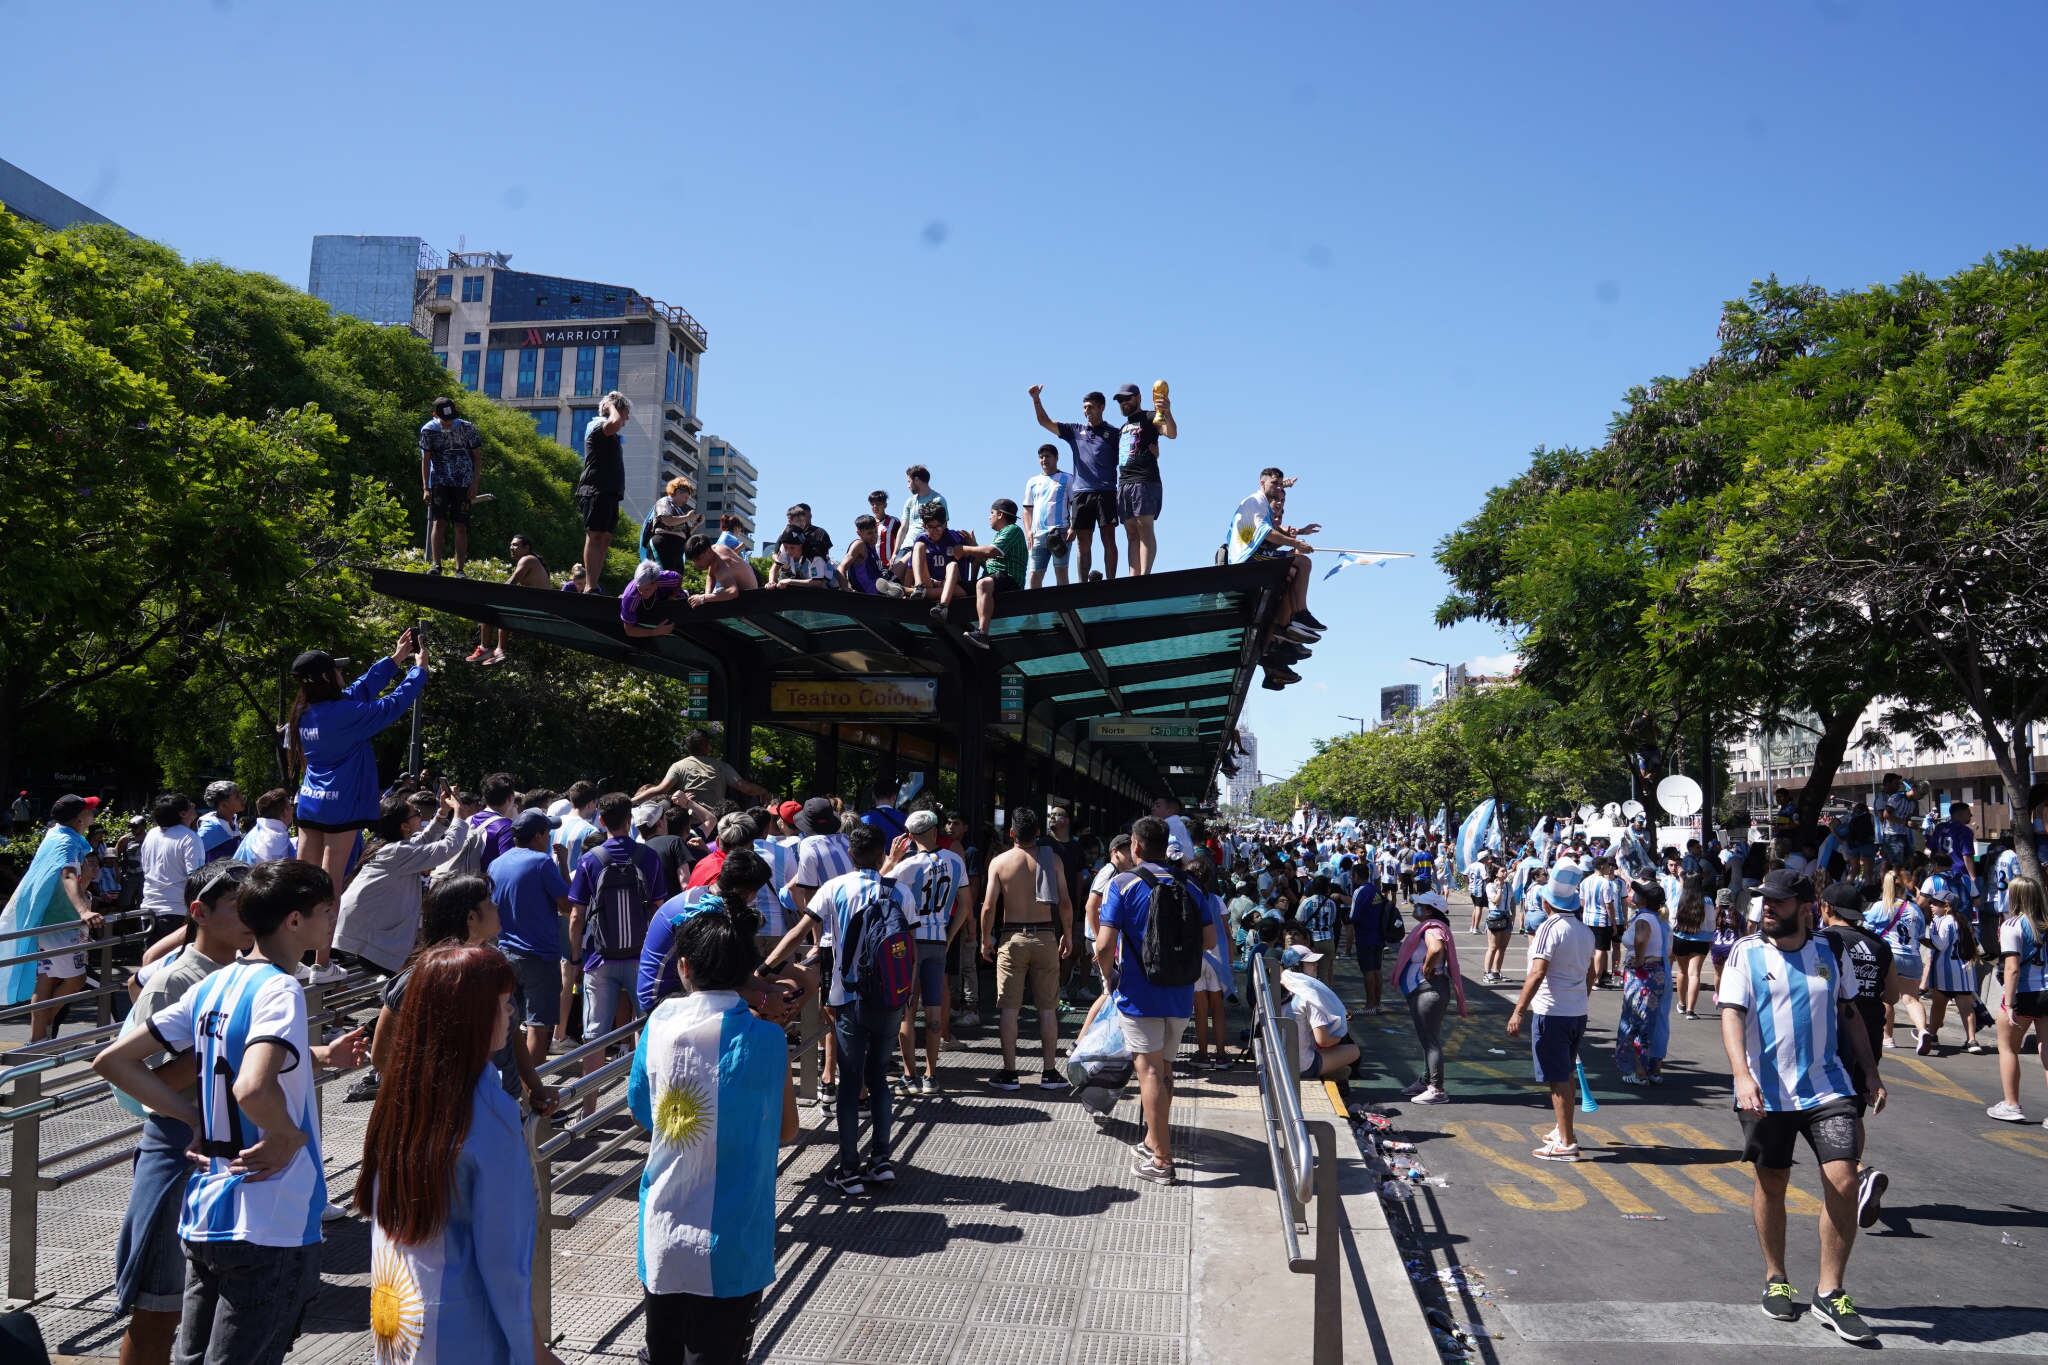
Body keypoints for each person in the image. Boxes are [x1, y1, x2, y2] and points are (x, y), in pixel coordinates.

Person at [93, 860, 370, 1365]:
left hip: (208, 1213)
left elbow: (113, 1060)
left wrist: (196, 1119)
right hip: (268, 1219)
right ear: (293, 920)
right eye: (326, 912)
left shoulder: (215, 985)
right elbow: (250, 1086)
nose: (332, 922)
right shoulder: (280, 988)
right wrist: (287, 1136)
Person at [356, 943, 554, 1365]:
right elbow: (505, 1264)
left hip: (397, 1316)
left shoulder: (400, 1097)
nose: (511, 1015)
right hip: (464, 1328)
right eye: (502, 1005)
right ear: (471, 1018)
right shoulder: (489, 1113)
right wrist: (534, 1351)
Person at [1719, 869, 1884, 1344]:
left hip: (1827, 1087)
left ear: (1805, 906)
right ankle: (1776, 1277)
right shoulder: (1745, 954)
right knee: (1772, 1183)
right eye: (1763, 901)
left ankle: (1831, 1292)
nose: (1767, 908)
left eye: (1777, 902)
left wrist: (1870, 1073)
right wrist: (1741, 1075)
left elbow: (1849, 1012)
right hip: (1765, 1093)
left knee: (1844, 1177)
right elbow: (1732, 1015)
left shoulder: (1831, 952)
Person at [630, 909, 798, 1365]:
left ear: (684, 966)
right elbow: (787, 1129)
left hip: (664, 1225)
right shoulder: (768, 1039)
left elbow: (644, 1112)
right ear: (747, 973)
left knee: (664, 1351)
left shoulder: (658, 1026)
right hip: (735, 1239)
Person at [108, 860, 253, 1365]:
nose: (250, 918)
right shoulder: (176, 980)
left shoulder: (246, 974)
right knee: (158, 1310)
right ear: (200, 912)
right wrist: (219, 1047)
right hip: (176, 1154)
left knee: (205, 1310)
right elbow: (137, 1075)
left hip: (225, 1155)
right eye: (238, 907)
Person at [764, 821, 915, 1196]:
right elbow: (905, 949)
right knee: (879, 1077)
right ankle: (881, 1161)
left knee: (850, 1083)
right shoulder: (901, 892)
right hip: (889, 999)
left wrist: (765, 968)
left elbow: (800, 932)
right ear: (883, 855)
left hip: (848, 998)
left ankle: (849, 1167)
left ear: (851, 854)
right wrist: (904, 993)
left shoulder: (835, 888)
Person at [1096, 817, 1219, 1185]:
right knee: (1164, 1070)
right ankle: (1153, 1139)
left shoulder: (1123, 884)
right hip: (1180, 992)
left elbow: (1103, 945)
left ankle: (1162, 1160)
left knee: (1147, 1071)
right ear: (1165, 845)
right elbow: (1210, 941)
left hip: (1140, 992)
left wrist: (1109, 976)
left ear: (1135, 845)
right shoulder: (1191, 885)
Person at [289, 632, 427, 929]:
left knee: (301, 881)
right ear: (328, 676)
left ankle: (296, 949)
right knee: (330, 884)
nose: (342, 673)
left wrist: (396, 658)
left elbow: (360, 689)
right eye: (337, 669)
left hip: (310, 803)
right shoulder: (346, 714)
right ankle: (321, 962)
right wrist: (419, 671)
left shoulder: (306, 712)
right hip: (341, 805)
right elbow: (391, 705)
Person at [567, 795, 666, 1096]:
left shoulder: (590, 859)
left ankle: (588, 1111)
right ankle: (645, 1106)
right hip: (640, 958)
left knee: (595, 1036)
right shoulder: (648, 858)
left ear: (601, 821)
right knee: (647, 1029)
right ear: (629, 821)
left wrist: (575, 958)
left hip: (599, 957)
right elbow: (658, 908)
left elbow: (576, 915)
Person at [1817, 881, 1898, 1230]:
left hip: (1834, 1035)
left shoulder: (1825, 941)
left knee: (1825, 1115)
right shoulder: (1880, 945)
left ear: (1826, 907)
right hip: (1870, 1035)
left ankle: (1858, 1175)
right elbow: (1892, 995)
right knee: (1853, 1112)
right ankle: (1857, 1177)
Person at [980, 808, 1073, 1090]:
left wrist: (986, 938)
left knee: (1009, 1008)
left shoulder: (999, 862)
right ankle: (1049, 1072)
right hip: (1045, 934)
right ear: (1039, 833)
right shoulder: (1052, 860)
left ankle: (1009, 1073)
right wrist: (1067, 935)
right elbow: (1066, 903)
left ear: (1011, 833)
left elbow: (988, 906)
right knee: (1047, 1008)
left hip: (1012, 938)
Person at [332, 790, 472, 976]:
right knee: (410, 980)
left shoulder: (387, 845)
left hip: (364, 928)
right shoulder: (396, 853)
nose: (421, 817)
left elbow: (420, 841)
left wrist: (442, 813)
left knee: (408, 978)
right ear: (404, 826)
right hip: (367, 933)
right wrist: (459, 815)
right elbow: (448, 847)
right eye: (417, 814)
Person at [1506, 872, 1597, 1161]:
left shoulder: (1550, 928)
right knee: (1565, 1073)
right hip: (1575, 1011)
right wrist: (1579, 997)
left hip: (1553, 1012)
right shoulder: (1584, 931)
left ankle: (1566, 1142)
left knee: (1557, 1077)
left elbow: (1538, 971)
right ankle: (1563, 1129)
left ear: (1547, 903)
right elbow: (1591, 973)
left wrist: (1519, 1010)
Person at [0, 795, 104, 1039]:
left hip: (47, 917)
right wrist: (84, 911)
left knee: (47, 979)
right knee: (76, 979)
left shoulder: (55, 834)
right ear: (79, 818)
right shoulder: (67, 843)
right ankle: (40, 1033)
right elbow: (67, 875)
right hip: (59, 921)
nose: (93, 814)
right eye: (90, 811)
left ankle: (38, 1037)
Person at [884, 812, 967, 1095]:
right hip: (938, 941)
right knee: (933, 1008)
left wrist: (892, 859)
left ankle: (910, 1076)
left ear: (909, 835)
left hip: (910, 943)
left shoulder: (907, 867)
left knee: (907, 1011)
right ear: (934, 831)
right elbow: (965, 905)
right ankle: (932, 1075)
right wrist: (949, 934)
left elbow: (876, 885)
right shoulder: (956, 861)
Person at [491, 809, 575, 1065]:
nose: (549, 837)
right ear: (538, 836)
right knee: (539, 1026)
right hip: (539, 955)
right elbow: (565, 905)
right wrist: (563, 864)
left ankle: (507, 1086)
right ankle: (534, 1097)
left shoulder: (497, 863)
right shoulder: (541, 863)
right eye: (547, 832)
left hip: (505, 953)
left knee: (507, 1023)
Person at [1227, 468, 1326, 684]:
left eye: (1282, 485)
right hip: (1248, 559)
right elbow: (1268, 532)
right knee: (1300, 561)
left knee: (1295, 567)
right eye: (1275, 484)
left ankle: (1291, 623)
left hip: (1254, 555)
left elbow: (1274, 527)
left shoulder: (1262, 500)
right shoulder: (1256, 502)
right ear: (1261, 483)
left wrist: (1297, 533)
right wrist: (1296, 542)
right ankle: (1297, 616)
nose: (1279, 489)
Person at [1030, 385, 1121, 580]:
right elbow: (1044, 422)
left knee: (1108, 539)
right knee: (1083, 543)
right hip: (1081, 494)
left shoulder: (1114, 434)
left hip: (1106, 492)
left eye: (1090, 407)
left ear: (1101, 407)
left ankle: (1112, 582)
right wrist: (1036, 399)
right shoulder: (1074, 431)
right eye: (1084, 407)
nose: (1086, 411)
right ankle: (1082, 585)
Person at [1390, 888, 1465, 1104]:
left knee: (1430, 1041)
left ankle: (1437, 1089)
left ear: (1430, 910)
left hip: (1428, 990)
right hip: (1424, 990)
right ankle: (1426, 1081)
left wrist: (1427, 966)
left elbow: (1436, 948)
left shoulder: (1432, 928)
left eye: (1419, 905)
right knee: (1427, 1039)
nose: (1415, 907)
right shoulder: (1431, 926)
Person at [1987, 875, 2048, 1122]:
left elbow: (2012, 968)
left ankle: (2011, 1104)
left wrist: (2009, 1004)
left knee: (2008, 1047)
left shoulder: (2012, 925)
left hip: (2024, 993)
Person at [933, 499, 1026, 650]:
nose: (989, 517)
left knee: (983, 583)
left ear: (1000, 514)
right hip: (994, 579)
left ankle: (982, 633)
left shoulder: (1012, 530)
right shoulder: (1000, 534)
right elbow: (985, 560)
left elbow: (991, 551)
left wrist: (964, 549)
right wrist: (973, 546)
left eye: (992, 513)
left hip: (1009, 578)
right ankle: (916, 593)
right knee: (952, 589)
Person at [1111, 383, 1176, 576]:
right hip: (1124, 483)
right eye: (1120, 400)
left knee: (1144, 527)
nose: (1124, 403)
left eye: (1127, 398)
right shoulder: (1122, 427)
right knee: (1131, 532)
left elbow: (1171, 433)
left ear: (1138, 398)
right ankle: (1134, 576)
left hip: (1145, 480)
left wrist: (1167, 411)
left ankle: (1145, 574)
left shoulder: (1149, 417)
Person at [1615, 878, 1672, 1085]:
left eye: (1638, 893)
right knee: (1647, 1019)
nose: (1634, 894)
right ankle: (1648, 1067)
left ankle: (1637, 1069)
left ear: (1645, 900)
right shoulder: (1655, 918)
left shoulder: (1644, 919)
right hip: (1653, 973)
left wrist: (1638, 960)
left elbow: (1641, 939)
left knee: (1635, 1019)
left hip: (1643, 974)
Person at [465, 535, 555, 665]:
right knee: (503, 606)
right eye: (511, 545)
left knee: (487, 607)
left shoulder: (527, 559)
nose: (511, 548)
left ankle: (486, 649)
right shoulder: (531, 560)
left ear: (526, 547)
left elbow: (511, 583)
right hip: (539, 606)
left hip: (539, 607)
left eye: (515, 545)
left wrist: (488, 595)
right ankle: (498, 650)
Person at [419, 396, 484, 576]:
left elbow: (477, 457)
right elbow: (425, 460)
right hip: (439, 480)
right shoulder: (428, 430)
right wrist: (426, 488)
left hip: (462, 482)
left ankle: (459, 569)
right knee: (438, 522)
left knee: (460, 525)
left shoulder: (467, 427)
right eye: (444, 420)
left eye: (451, 419)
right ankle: (436, 565)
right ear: (435, 415)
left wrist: (474, 483)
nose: (448, 423)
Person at [574, 392, 631, 593]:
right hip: (595, 489)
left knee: (605, 537)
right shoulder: (599, 425)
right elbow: (614, 422)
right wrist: (611, 407)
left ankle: (594, 583)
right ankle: (589, 585)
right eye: (626, 412)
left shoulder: (611, 433)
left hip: (610, 491)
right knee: (595, 535)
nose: (627, 418)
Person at [1919, 882, 1986, 1054]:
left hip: (1946, 971)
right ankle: (1972, 1040)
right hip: (1963, 970)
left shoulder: (1944, 921)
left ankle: (1932, 1034)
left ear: (1946, 906)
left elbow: (1940, 945)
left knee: (1938, 1004)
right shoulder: (1961, 920)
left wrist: (1928, 935)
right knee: (1965, 1007)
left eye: (1936, 903)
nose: (1931, 905)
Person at [1277, 944, 1358, 1079]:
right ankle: (1336, 1075)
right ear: (1298, 967)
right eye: (1310, 963)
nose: (1316, 966)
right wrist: (1340, 1035)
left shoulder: (1279, 986)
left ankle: (1336, 1073)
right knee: (1353, 1050)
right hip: (1302, 1066)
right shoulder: (1310, 995)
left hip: (1278, 1062)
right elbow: (1323, 1041)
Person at [635, 730, 768, 812]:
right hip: (714, 822)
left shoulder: (678, 766)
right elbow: (744, 787)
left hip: (686, 824)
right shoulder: (721, 766)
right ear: (706, 746)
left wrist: (631, 801)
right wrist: (763, 791)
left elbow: (660, 789)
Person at [139, 793, 207, 933]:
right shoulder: (189, 838)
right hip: (177, 911)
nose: (193, 805)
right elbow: (196, 878)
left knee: (152, 954)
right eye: (189, 804)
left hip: (148, 908)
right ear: (182, 814)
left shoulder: (152, 834)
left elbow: (145, 868)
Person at [1020, 442, 1073, 588]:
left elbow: (1076, 504)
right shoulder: (1032, 481)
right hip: (1038, 534)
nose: (1044, 460)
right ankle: (1035, 610)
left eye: (1048, 456)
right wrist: (1028, 531)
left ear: (1056, 458)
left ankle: (1064, 608)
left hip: (1060, 531)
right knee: (1034, 575)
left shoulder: (1067, 478)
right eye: (1041, 457)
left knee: (1061, 572)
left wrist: (1073, 527)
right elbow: (1027, 509)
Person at [1671, 873, 1714, 1019]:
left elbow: (1673, 918)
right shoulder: (1707, 900)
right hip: (1701, 940)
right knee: (1695, 973)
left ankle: (1682, 1004)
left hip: (1681, 937)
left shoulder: (1680, 897)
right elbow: (1710, 924)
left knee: (1682, 972)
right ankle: (1690, 1010)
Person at [1348, 871, 1392, 1013]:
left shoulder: (1359, 892)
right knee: (1377, 970)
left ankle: (1370, 1005)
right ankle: (1377, 1003)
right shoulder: (1376, 890)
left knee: (1368, 970)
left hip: (1364, 936)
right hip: (1379, 936)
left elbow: (1353, 916)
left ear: (1356, 876)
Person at [839, 513, 907, 597]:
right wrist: (845, 589)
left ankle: (912, 591)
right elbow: (841, 568)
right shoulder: (859, 545)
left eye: (875, 532)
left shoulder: (871, 546)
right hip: (872, 591)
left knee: (909, 555)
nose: (874, 536)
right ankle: (914, 591)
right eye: (870, 533)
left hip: (881, 584)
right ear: (859, 533)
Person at [682, 533, 759, 605]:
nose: (696, 564)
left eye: (698, 559)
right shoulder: (716, 548)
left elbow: (733, 592)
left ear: (708, 552)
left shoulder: (722, 566)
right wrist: (707, 596)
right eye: (693, 560)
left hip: (748, 601)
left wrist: (703, 598)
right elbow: (710, 575)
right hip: (747, 593)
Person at [619, 560, 684, 638]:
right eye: (639, 588)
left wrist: (673, 595)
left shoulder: (666, 578)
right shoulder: (630, 597)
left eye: (647, 589)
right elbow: (629, 630)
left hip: (663, 598)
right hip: (645, 613)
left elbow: (679, 578)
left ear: (656, 583)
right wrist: (655, 632)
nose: (642, 593)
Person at [648, 476, 699, 571]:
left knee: (675, 580)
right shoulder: (664, 502)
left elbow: (685, 533)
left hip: (677, 548)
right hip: (664, 544)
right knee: (664, 577)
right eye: (685, 497)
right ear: (678, 492)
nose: (686, 501)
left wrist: (696, 524)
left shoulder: (679, 510)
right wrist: (687, 517)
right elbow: (667, 520)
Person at [234, 789, 296, 865]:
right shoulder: (277, 840)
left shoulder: (257, 831)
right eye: (290, 806)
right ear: (285, 812)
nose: (292, 809)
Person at [1297, 875, 1339, 985]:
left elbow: (1299, 920)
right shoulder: (1331, 903)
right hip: (1328, 940)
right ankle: (1325, 999)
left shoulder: (1307, 902)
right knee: (1324, 974)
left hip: (1311, 941)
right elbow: (1332, 921)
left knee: (1310, 973)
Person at [767, 527, 836, 590]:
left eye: (792, 548)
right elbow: (774, 569)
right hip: (806, 578)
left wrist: (790, 581)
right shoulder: (784, 549)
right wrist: (771, 582)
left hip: (830, 582)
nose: (788, 551)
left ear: (801, 545)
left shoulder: (815, 556)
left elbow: (817, 583)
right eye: (785, 547)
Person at [196, 781, 245, 861]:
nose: (242, 798)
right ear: (224, 805)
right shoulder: (208, 832)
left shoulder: (233, 822)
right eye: (237, 797)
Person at [900, 464, 947, 538]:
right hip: (907, 546)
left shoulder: (938, 500)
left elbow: (943, 526)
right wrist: (896, 549)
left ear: (916, 480)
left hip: (928, 545)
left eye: (909, 482)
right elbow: (903, 529)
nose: (908, 486)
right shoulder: (909, 501)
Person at [866, 489, 903, 561]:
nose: (875, 507)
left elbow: (901, 542)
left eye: (878, 504)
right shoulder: (868, 523)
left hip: (890, 566)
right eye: (872, 504)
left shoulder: (894, 522)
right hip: (873, 566)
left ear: (885, 505)